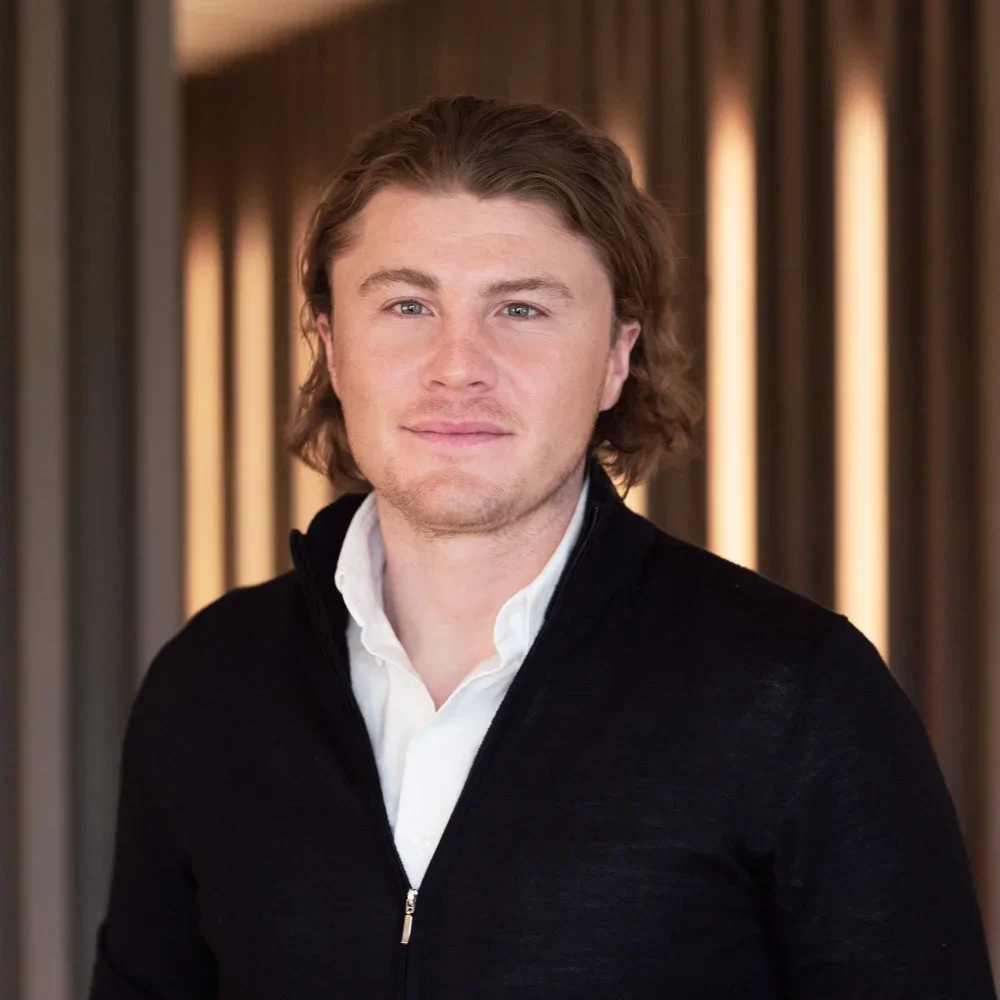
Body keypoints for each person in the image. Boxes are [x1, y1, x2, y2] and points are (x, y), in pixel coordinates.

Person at [88, 94, 995, 999]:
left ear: (615, 358)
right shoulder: (208, 686)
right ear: (330, 348)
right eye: (407, 305)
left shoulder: (794, 695)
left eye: (520, 310)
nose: (457, 365)